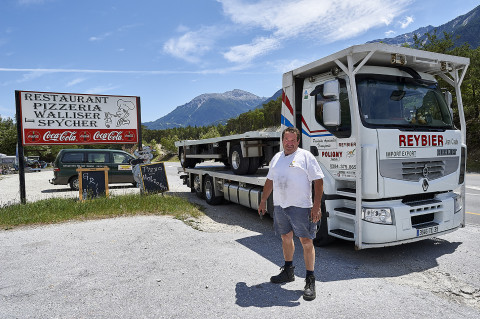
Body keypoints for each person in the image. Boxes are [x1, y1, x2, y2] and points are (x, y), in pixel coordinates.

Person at [258, 127, 324, 301]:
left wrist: (316, 206)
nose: (289, 143)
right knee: (285, 237)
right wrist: (264, 200)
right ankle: (288, 271)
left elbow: (318, 181)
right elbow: (270, 181)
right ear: (282, 140)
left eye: (292, 140)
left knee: (306, 241)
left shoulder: (305, 157)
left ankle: (310, 279)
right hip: (280, 205)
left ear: (298, 141)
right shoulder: (277, 158)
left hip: (301, 207)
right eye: (286, 140)